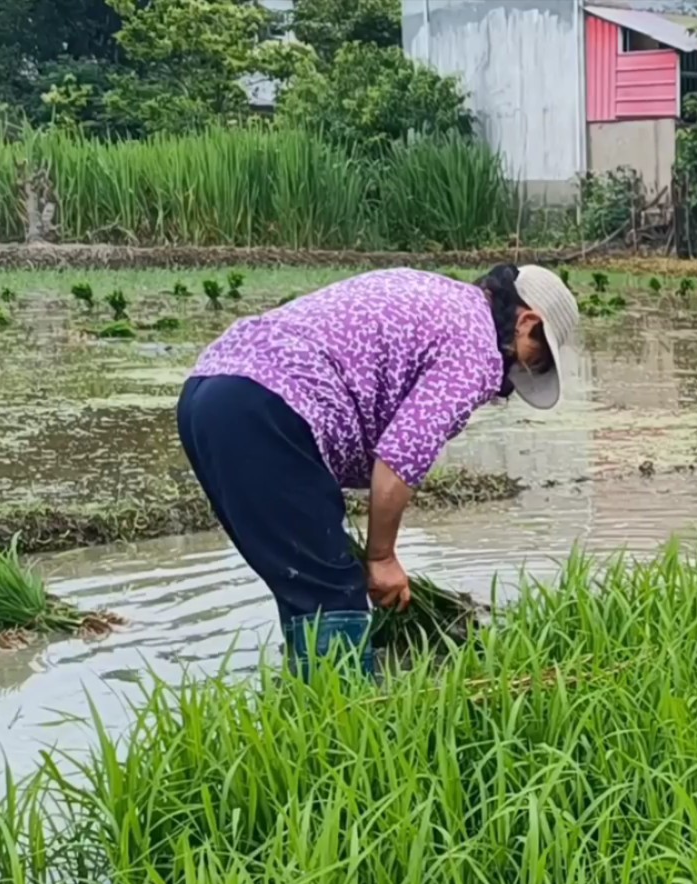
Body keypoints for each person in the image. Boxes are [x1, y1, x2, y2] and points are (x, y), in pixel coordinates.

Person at [175, 264, 579, 677]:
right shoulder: (476, 350)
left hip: (207, 395)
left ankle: (302, 713)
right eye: (536, 359)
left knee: (304, 584)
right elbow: (399, 458)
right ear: (527, 322)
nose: (514, 379)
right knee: (333, 594)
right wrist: (382, 557)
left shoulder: (434, 293)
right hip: (265, 408)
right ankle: (342, 720)